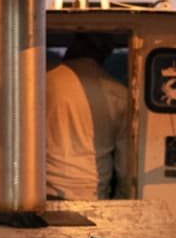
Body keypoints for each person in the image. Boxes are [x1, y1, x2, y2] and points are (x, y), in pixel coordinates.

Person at [45, 32, 128, 199]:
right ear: (104, 54)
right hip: (93, 191)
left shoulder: (42, 83)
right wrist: (123, 197)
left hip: (45, 189)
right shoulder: (119, 93)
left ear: (75, 47)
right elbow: (125, 159)